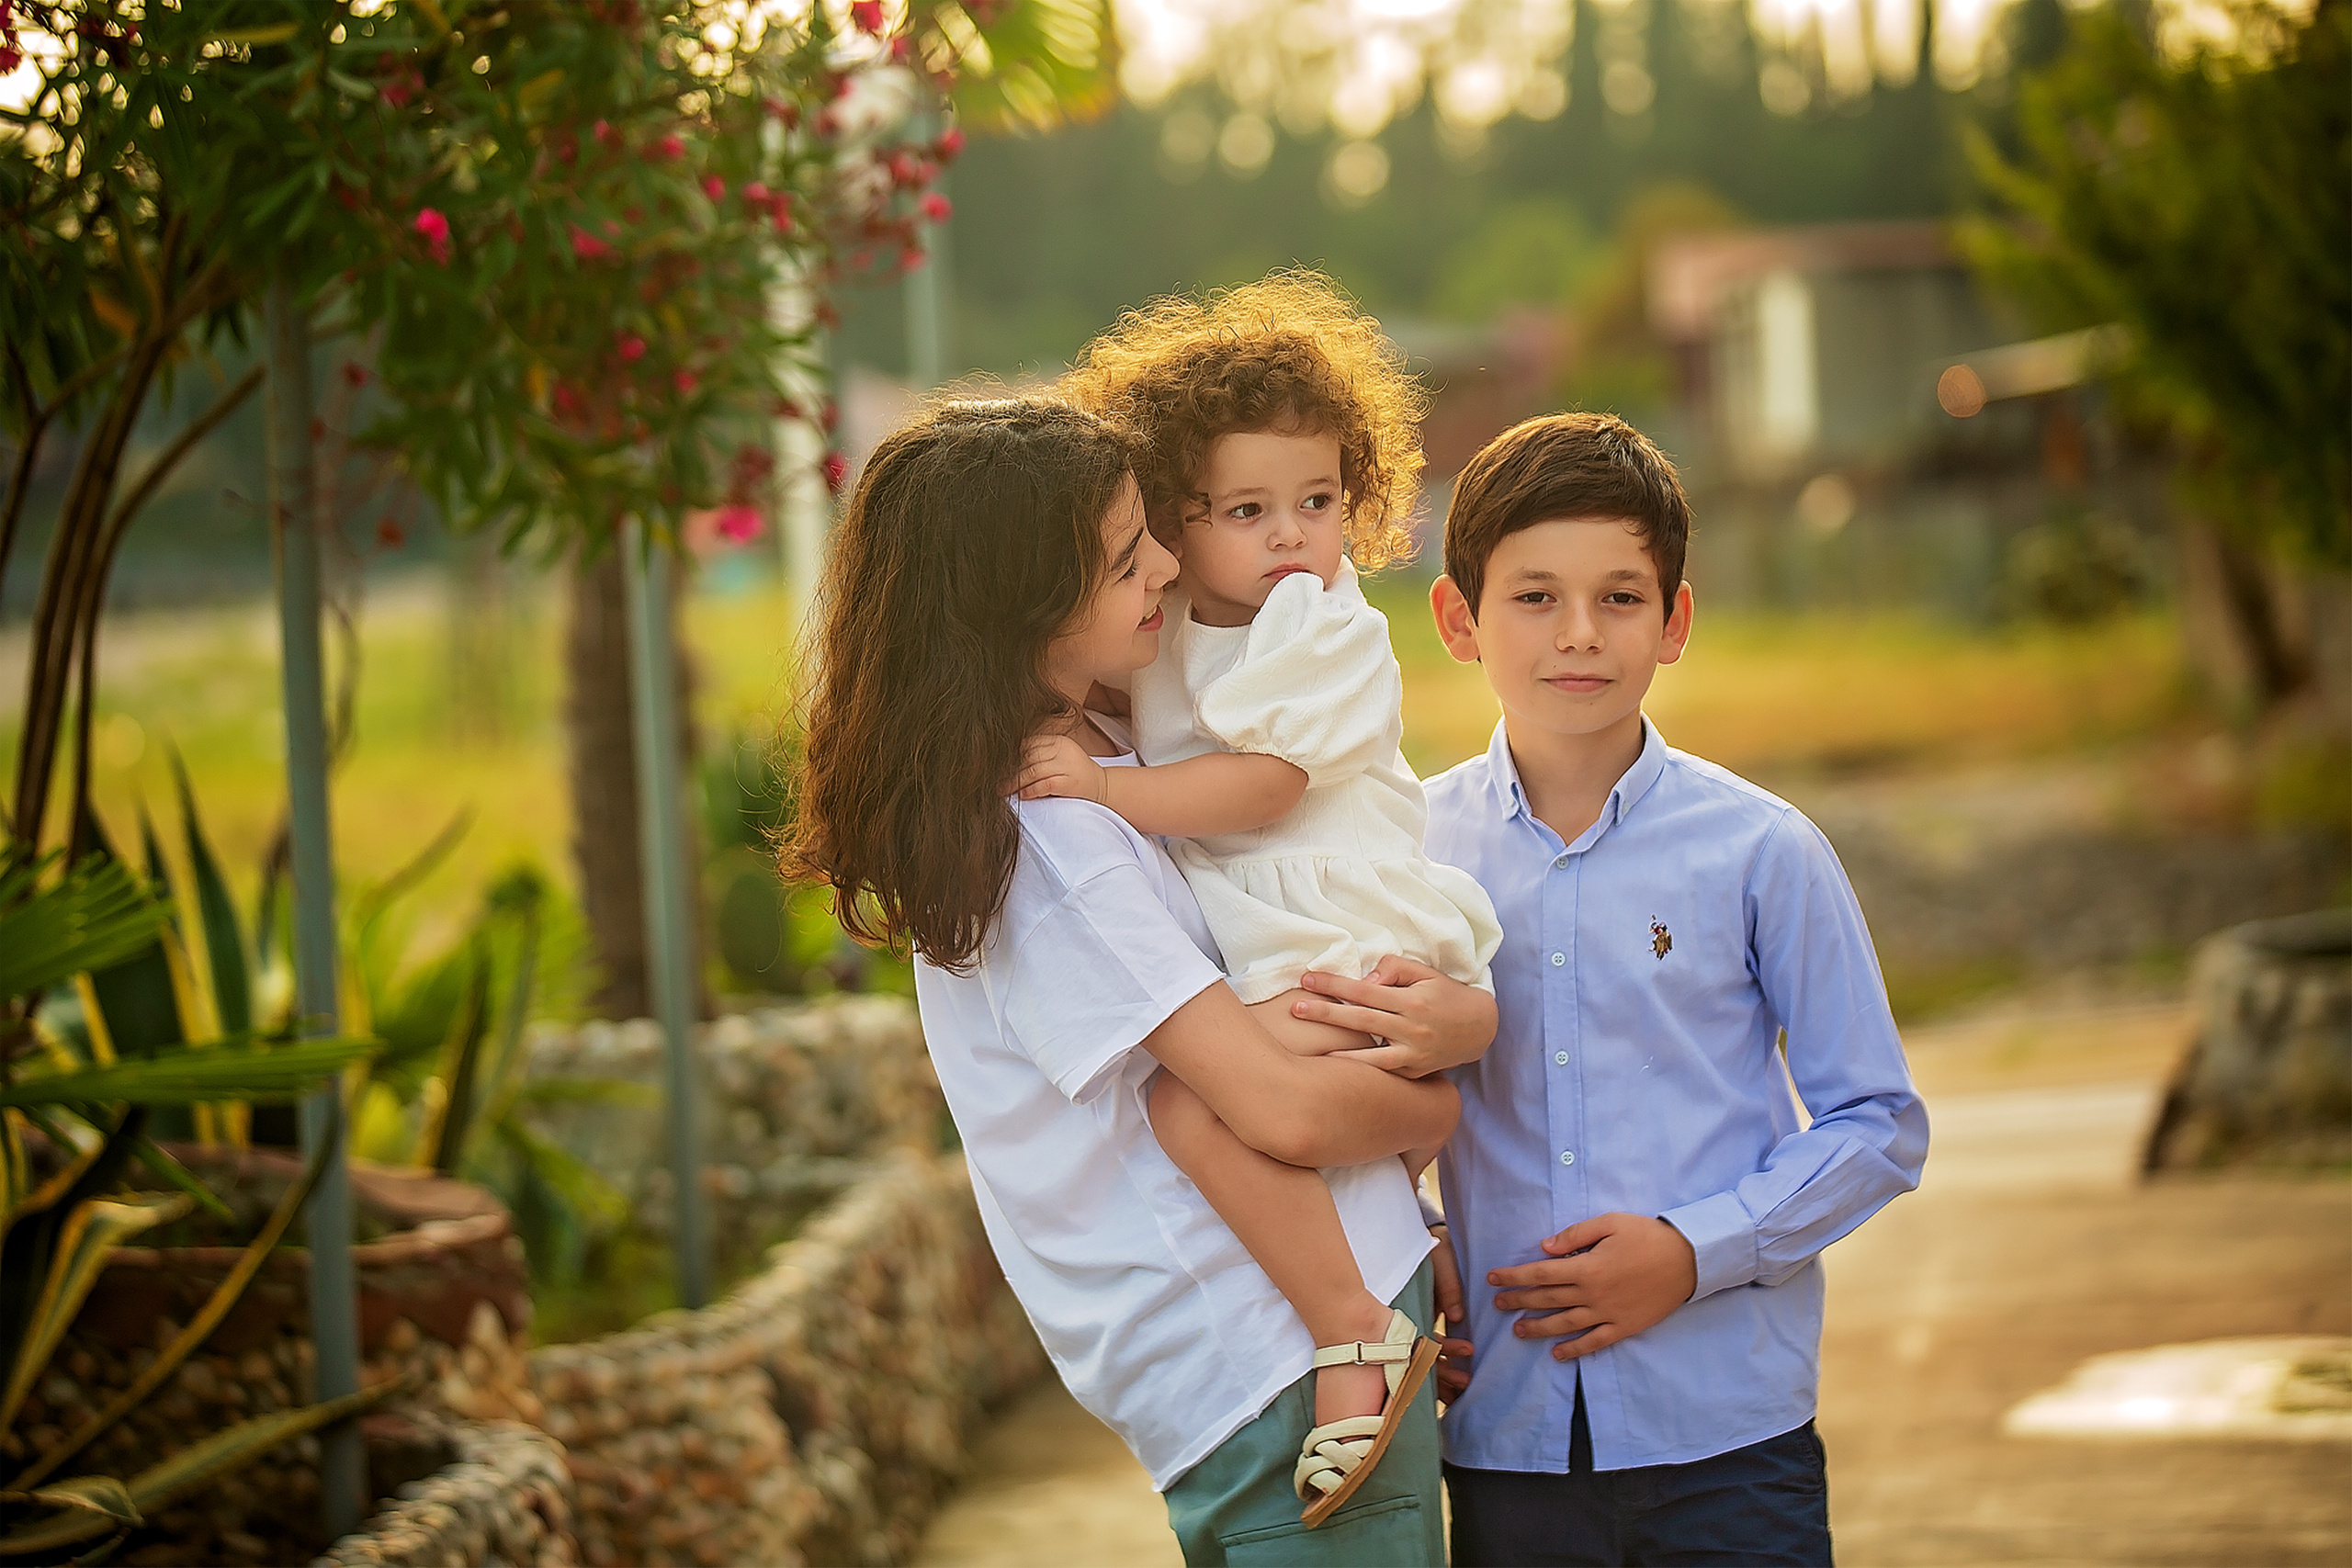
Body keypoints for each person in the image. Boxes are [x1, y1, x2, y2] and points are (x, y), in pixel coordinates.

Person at [783, 397, 1495, 1566]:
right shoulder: (1047, 843)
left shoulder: (1111, 763)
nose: (1169, 559)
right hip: (1272, 1363)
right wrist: (1444, 1095)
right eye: (1125, 559)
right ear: (1022, 614)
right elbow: (1280, 1106)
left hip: (1300, 1344)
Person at [1021, 274, 1503, 1525]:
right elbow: (1126, 705)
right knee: (1222, 1095)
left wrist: (1105, 794)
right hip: (1267, 937)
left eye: (1319, 499)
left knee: (1194, 1100)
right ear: (1172, 522)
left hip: (1339, 923)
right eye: (1246, 509)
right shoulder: (1168, 619)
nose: (1292, 533)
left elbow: (1261, 781)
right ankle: (1409, 1176)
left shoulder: (1324, 625)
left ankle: (1353, 1327)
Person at [1419, 412, 1929, 1567]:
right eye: (1534, 598)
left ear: (1674, 620)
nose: (1579, 636)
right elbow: (1359, 1102)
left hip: (1731, 1444)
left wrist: (1694, 1251)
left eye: (1621, 597)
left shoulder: (1761, 850)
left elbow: (1878, 1124)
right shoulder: (1405, 853)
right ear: (1460, 619)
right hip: (1504, 1436)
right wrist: (1416, 1236)